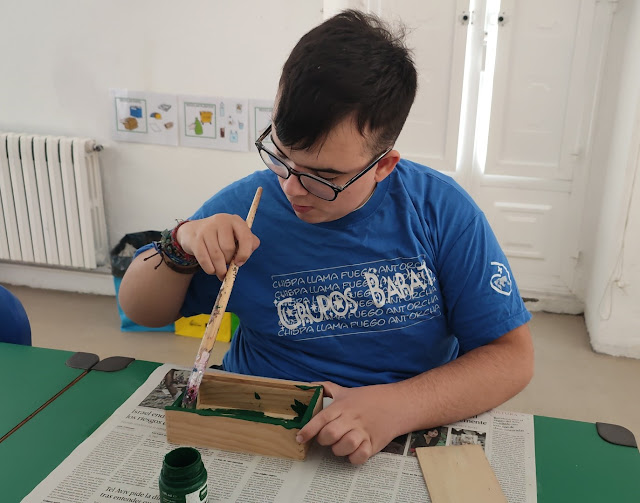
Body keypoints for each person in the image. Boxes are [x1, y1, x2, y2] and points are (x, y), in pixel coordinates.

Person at [119, 10, 534, 465]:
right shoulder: (246, 206)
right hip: (262, 420)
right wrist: (182, 241)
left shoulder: (440, 212)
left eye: (325, 175)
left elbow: (511, 357)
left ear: (383, 165)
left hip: (395, 425)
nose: (293, 188)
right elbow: (141, 309)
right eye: (282, 155)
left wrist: (398, 406)